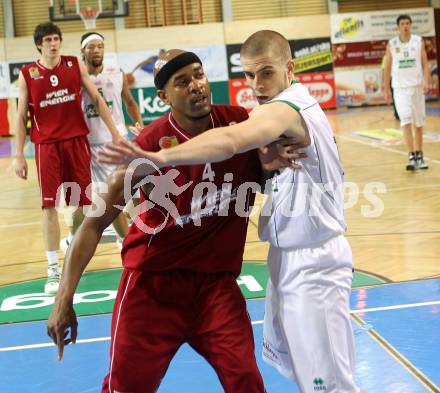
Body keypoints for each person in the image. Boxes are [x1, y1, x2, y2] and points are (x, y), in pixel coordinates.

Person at [100, 31, 363, 393]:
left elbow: (230, 139)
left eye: (266, 73)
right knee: (307, 376)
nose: (256, 84)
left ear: (290, 68)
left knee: (328, 384)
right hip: (287, 260)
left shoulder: (286, 108)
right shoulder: (271, 114)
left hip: (314, 261)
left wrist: (161, 157)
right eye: (250, 75)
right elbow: (250, 151)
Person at [47, 49, 302, 393]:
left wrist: (274, 160)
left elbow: (284, 148)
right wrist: (64, 298)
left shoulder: (240, 125)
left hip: (215, 288)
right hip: (152, 290)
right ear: (163, 97)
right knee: (126, 388)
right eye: (182, 82)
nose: (196, 86)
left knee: (246, 381)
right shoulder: (148, 147)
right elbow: (92, 224)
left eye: (199, 75)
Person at [13, 22, 122, 295]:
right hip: (47, 145)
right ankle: (52, 268)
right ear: (39, 44)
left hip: (76, 141)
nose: (53, 44)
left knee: (82, 204)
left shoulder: (74, 65)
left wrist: (115, 133)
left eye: (56, 39)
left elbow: (96, 99)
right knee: (49, 207)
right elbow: (20, 116)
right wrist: (18, 155)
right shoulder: (28, 74)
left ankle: (74, 249)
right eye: (48, 40)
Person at [78, 31, 143, 250]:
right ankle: (127, 245)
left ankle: (136, 235)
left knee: (136, 191)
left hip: (121, 139)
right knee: (112, 199)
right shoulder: (76, 78)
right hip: (95, 146)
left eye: (100, 46)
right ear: (82, 51)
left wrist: (140, 125)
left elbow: (130, 102)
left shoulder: (117, 73)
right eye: (91, 47)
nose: (96, 50)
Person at [383, 14, 431, 171]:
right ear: (398, 26)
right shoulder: (392, 44)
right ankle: (411, 155)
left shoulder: (418, 41)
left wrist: (426, 81)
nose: (405, 26)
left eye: (407, 23)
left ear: (411, 25)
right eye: (402, 23)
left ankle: (420, 154)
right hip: (400, 88)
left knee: (418, 123)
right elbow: (388, 68)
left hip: (417, 87)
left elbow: (425, 63)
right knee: (405, 120)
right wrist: (385, 89)